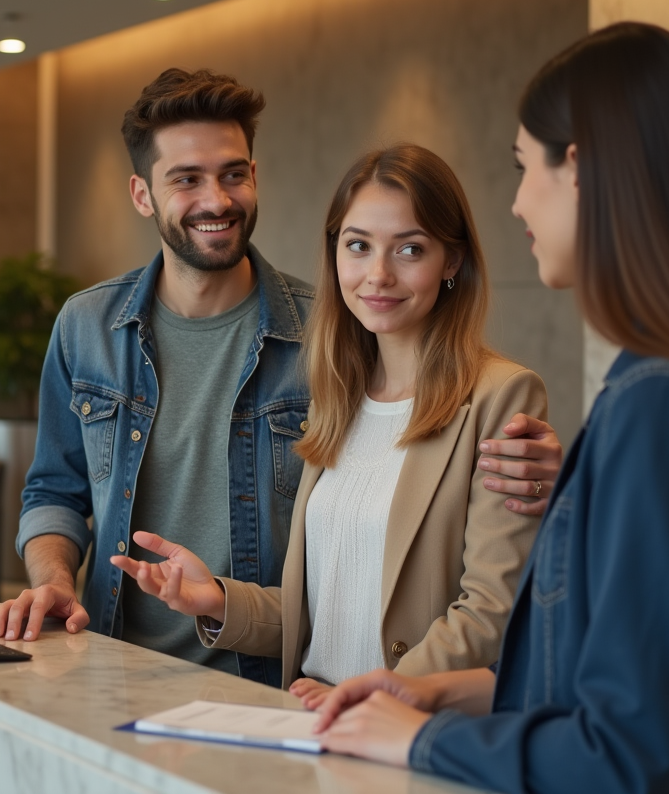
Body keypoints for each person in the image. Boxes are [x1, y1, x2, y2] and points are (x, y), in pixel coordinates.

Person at [306, 22, 669, 794]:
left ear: (581, 169)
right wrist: (433, 693)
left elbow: (619, 755)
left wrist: (422, 744)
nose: (518, 203)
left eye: (525, 167)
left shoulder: (662, 405)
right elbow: (615, 690)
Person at [0, 68, 559, 683]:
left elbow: (469, 563)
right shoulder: (87, 326)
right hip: (113, 660)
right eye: (186, 179)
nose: (217, 199)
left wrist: (557, 476)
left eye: (233, 173)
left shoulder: (331, 342)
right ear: (142, 194)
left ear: (255, 177)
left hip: (268, 683)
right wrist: (55, 584)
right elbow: (53, 492)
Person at [110, 143, 549, 694]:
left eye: (410, 249)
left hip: (407, 732)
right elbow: (328, 612)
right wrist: (216, 599)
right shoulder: (336, 394)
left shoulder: (501, 397)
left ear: (452, 260)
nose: (378, 275)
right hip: (312, 717)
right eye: (358, 246)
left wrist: (361, 696)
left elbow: (489, 614)